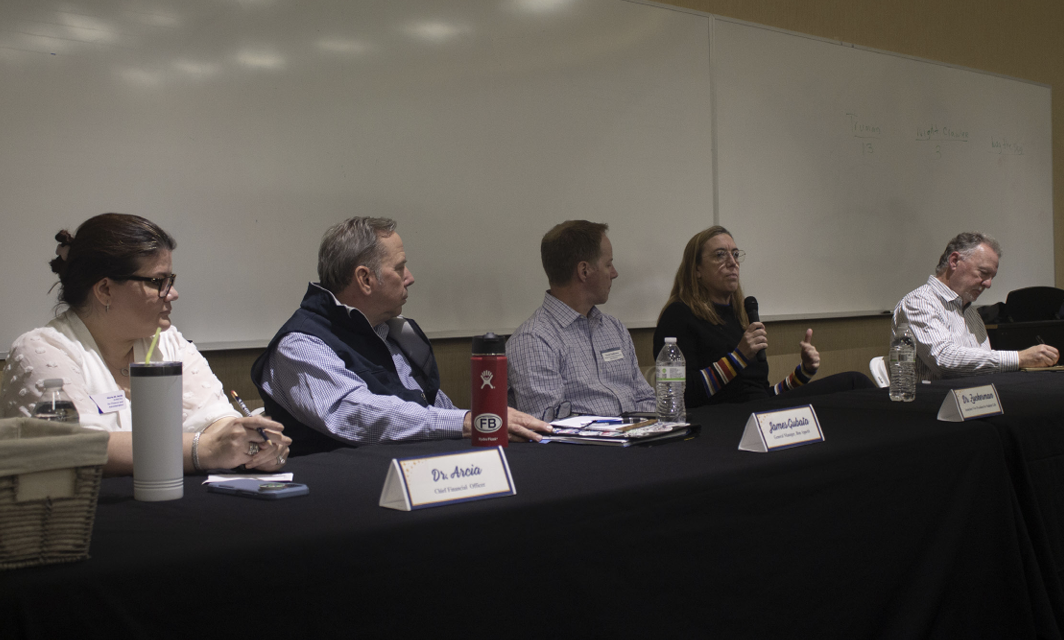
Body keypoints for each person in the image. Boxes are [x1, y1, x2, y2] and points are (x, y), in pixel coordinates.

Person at [1, 213, 290, 476]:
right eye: (158, 281)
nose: (173, 294)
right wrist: (207, 450)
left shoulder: (167, 340)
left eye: (171, 280)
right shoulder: (42, 350)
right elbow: (77, 448)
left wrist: (252, 443)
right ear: (105, 289)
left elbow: (214, 418)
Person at [252, 217, 551, 455]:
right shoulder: (301, 344)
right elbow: (355, 415)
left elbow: (432, 409)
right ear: (365, 279)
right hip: (341, 504)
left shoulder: (390, 332)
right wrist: (467, 421)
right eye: (399, 267)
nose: (410, 278)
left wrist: (477, 421)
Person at [653, 226, 873, 408]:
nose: (733, 262)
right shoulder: (679, 315)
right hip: (721, 420)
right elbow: (682, 395)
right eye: (720, 255)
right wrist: (739, 357)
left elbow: (762, 393)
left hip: (758, 411)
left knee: (856, 388)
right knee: (854, 383)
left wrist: (803, 373)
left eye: (735, 254)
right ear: (697, 269)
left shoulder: (739, 315)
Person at [507, 221, 656, 419]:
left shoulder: (614, 328)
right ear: (584, 271)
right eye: (608, 264)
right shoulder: (534, 340)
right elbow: (549, 426)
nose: (614, 273)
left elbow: (645, 398)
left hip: (639, 440)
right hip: (587, 447)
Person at [892, 232, 1058, 380]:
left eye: (992, 277)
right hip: (930, 407)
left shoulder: (970, 312)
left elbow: (983, 368)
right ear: (954, 261)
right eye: (983, 273)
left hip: (972, 401)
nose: (988, 284)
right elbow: (944, 360)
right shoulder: (919, 302)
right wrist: (1019, 358)